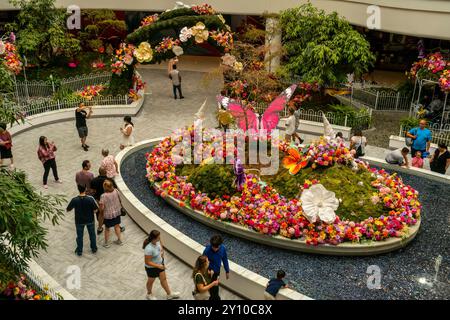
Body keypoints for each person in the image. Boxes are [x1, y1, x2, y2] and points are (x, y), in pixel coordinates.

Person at [143, 230, 180, 300]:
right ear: (154, 238)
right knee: (151, 281)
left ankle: (169, 294)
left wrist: (162, 251)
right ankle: (149, 294)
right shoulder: (149, 249)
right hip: (152, 268)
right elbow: (147, 262)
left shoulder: (157, 241)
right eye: (158, 237)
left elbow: (160, 245)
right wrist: (158, 266)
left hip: (160, 264)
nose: (160, 238)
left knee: (163, 279)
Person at [91, 167, 125, 235]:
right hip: (110, 201)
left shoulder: (94, 181)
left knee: (101, 214)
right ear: (106, 172)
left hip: (99, 201)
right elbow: (114, 189)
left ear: (99, 172)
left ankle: (100, 228)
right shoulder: (109, 180)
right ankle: (118, 227)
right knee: (114, 213)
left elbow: (93, 191)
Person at [66, 184, 98, 256]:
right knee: (92, 235)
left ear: (78, 189)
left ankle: (79, 251)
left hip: (79, 221)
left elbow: (68, 209)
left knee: (79, 236)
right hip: (90, 220)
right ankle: (94, 248)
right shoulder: (90, 199)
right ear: (85, 189)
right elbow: (96, 210)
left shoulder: (74, 200)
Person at [202, 235, 230, 300]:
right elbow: (202, 263)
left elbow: (225, 259)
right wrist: (208, 271)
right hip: (209, 272)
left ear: (220, 245)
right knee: (212, 288)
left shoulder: (223, 249)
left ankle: (214, 297)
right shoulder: (207, 250)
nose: (215, 249)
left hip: (217, 272)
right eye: (213, 247)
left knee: (215, 286)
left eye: (217, 247)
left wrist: (227, 271)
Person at [99, 180, 123, 247]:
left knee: (107, 229)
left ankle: (106, 243)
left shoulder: (103, 196)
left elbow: (102, 207)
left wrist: (100, 212)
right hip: (117, 212)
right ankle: (119, 240)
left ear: (105, 187)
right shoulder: (116, 191)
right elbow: (120, 199)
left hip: (108, 215)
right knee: (117, 226)